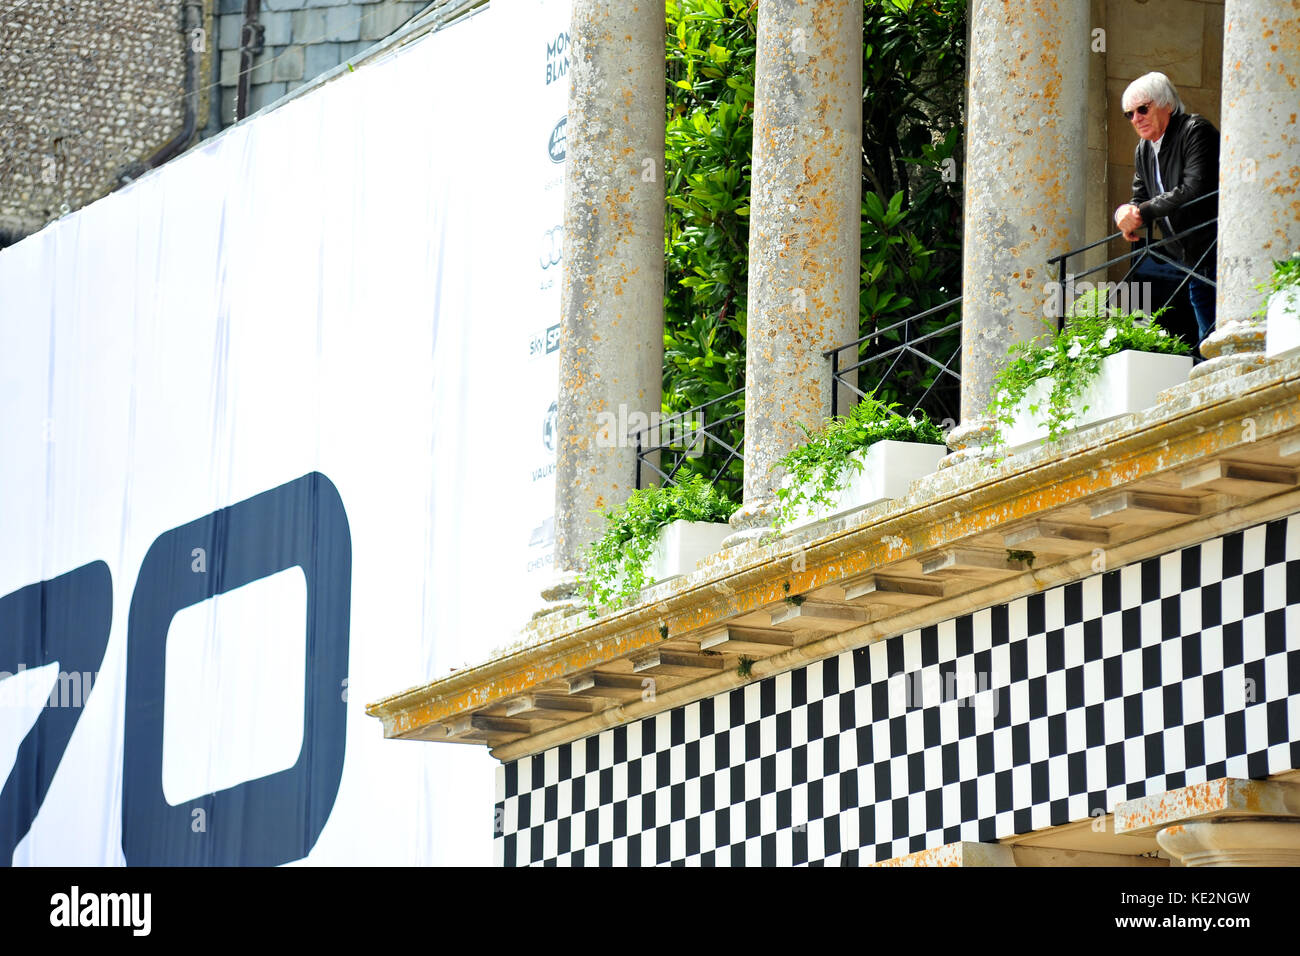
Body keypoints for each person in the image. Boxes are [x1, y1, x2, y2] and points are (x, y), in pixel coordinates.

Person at [1112, 72, 1219, 348]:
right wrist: (1124, 215)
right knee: (1205, 334)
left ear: (1167, 105)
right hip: (1187, 257)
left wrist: (1141, 213)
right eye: (1129, 114)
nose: (1136, 119)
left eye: (1143, 109)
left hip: (1215, 247)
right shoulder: (1143, 150)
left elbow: (1193, 189)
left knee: (1216, 331)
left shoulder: (1195, 131)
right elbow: (1140, 198)